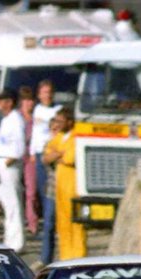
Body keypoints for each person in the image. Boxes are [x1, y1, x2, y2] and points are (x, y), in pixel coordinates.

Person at [43, 106, 86, 260]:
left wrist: (57, 155)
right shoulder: (59, 137)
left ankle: (79, 256)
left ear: (70, 122)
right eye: (56, 121)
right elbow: (46, 156)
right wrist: (58, 154)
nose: (57, 124)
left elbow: (70, 158)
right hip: (60, 187)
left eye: (61, 121)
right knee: (62, 223)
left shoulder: (76, 137)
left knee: (76, 223)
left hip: (73, 186)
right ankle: (66, 256)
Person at [0, 89, 26, 253]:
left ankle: (16, 242)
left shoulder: (16, 119)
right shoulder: (6, 119)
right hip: (2, 161)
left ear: (9, 102)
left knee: (13, 203)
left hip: (9, 162)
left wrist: (10, 160)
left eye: (1, 101)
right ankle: (9, 238)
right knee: (7, 202)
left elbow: (19, 144)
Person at [31, 80, 58, 263]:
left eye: (49, 92)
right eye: (44, 92)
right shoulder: (37, 110)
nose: (47, 95)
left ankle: (46, 257)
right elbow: (35, 134)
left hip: (52, 157)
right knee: (42, 199)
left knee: (51, 208)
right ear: (39, 95)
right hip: (39, 156)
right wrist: (32, 153)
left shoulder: (57, 110)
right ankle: (46, 255)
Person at [18, 86, 38, 235]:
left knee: (31, 191)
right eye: (26, 100)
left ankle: (32, 222)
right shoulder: (16, 117)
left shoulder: (36, 119)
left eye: (31, 100)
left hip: (31, 156)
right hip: (17, 155)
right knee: (17, 189)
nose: (29, 103)